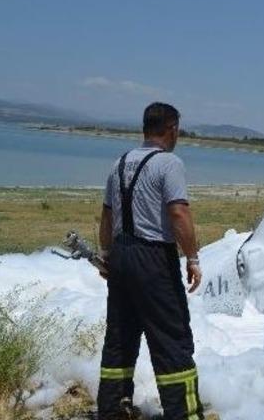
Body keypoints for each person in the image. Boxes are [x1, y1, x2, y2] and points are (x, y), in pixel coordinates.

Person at [97, 102, 204, 419]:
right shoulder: (169, 164)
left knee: (120, 336)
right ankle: (183, 412)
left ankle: (112, 409)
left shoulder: (118, 164)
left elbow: (106, 216)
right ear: (172, 129)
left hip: (120, 256)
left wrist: (106, 256)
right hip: (153, 258)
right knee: (172, 339)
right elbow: (178, 212)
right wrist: (193, 258)